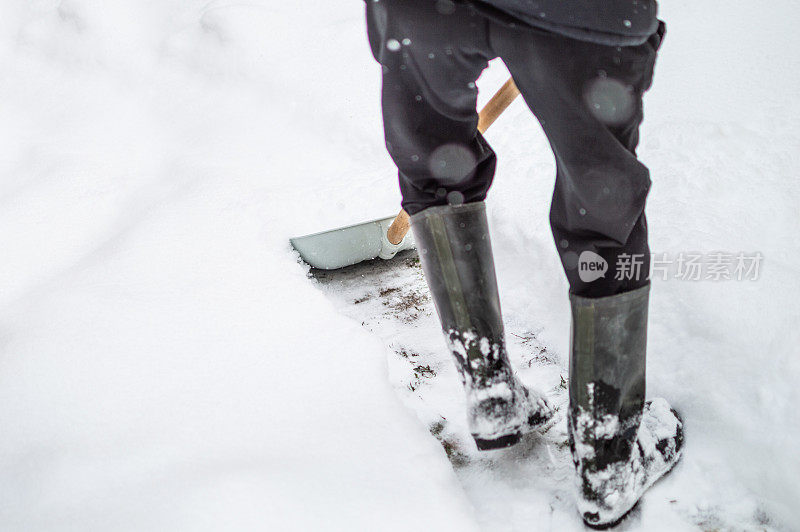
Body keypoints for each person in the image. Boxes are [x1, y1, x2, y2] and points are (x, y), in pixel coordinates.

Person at [364, 0, 682, 528]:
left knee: (437, 168)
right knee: (601, 211)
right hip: (577, 15)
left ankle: (488, 387)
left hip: (420, 11)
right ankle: (607, 461)